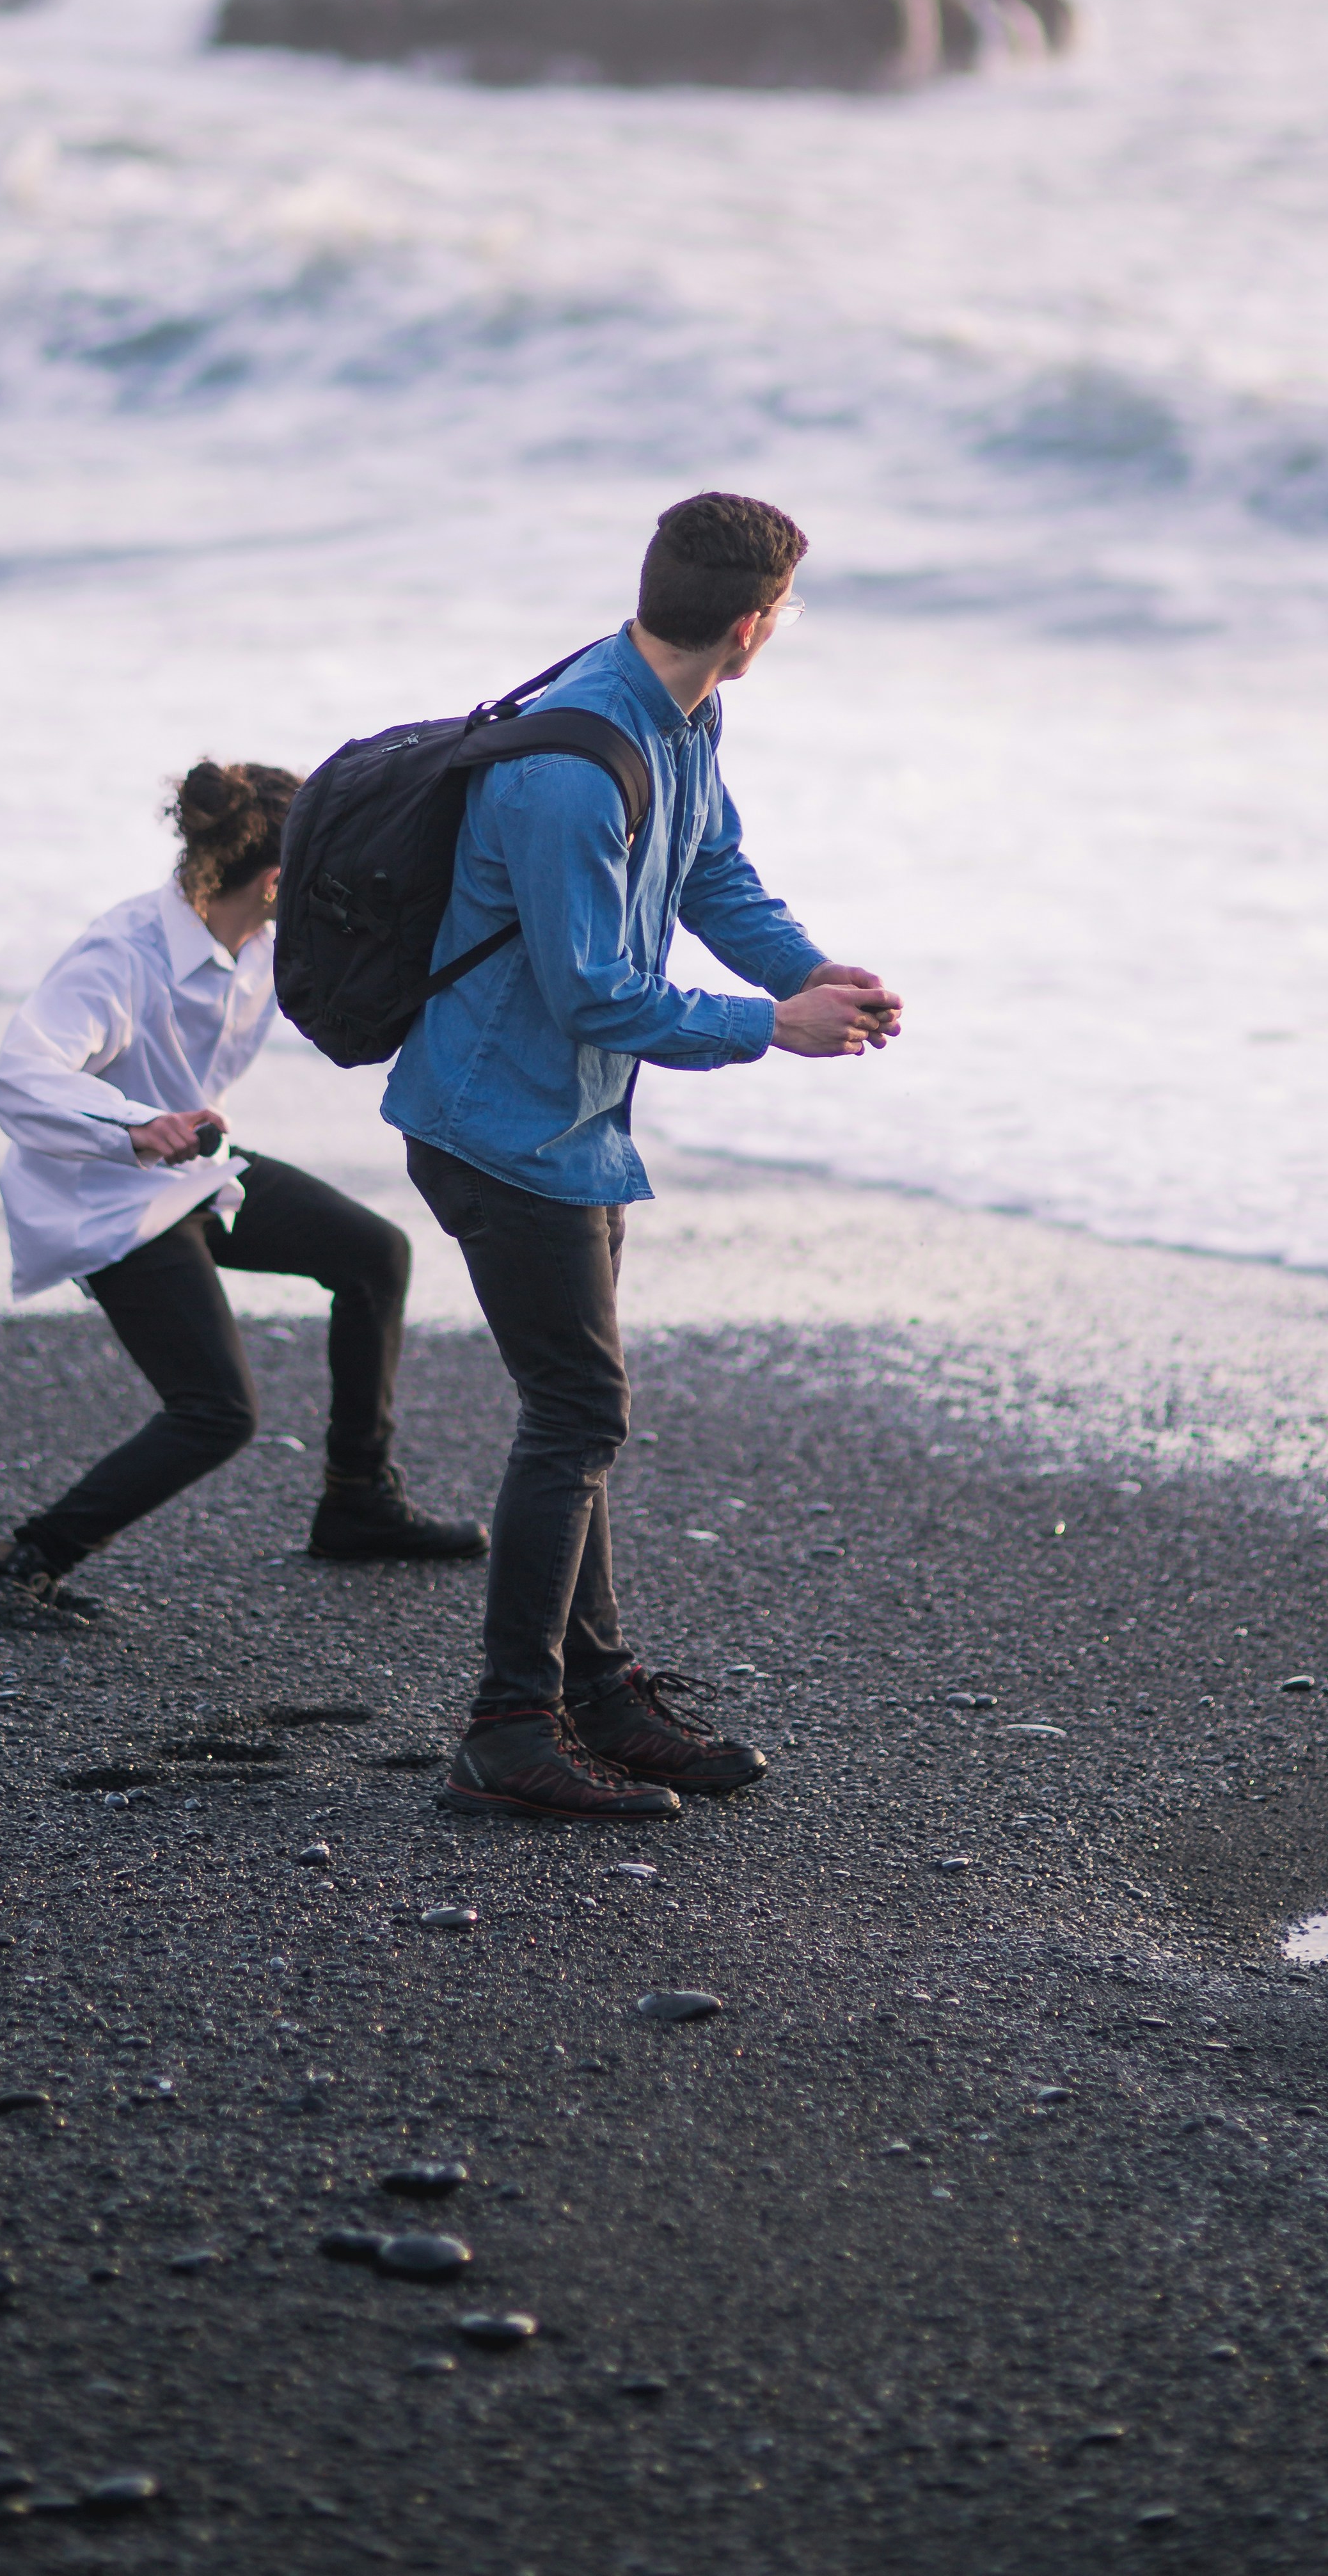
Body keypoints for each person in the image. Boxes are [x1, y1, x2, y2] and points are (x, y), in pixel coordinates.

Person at [386, 491, 900, 1819]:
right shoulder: (571, 768)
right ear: (750, 623)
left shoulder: (681, 710)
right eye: (782, 613)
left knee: (579, 1412)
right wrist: (767, 1026)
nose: (779, 631)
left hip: (574, 1129)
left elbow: (713, 869)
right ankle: (508, 1729)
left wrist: (808, 970)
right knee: (578, 1414)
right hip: (500, 1132)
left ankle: (600, 1695)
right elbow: (595, 995)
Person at [0, 756, 486, 1606]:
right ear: (280, 880)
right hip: (102, 1198)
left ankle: (359, 1502)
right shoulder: (122, 955)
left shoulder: (264, 937)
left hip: (192, 1175)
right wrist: (135, 1125)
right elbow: (22, 1074)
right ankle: (24, 1561)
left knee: (374, 1254)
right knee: (216, 1415)